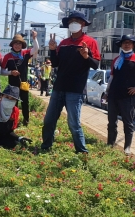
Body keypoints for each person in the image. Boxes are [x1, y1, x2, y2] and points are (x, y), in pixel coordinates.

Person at [41, 11, 100, 154]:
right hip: (59, 88)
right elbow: (55, 63)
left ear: (83, 24)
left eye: (77, 21)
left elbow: (95, 65)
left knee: (73, 123)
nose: (74, 23)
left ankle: (82, 152)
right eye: (71, 21)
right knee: (49, 120)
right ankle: (46, 147)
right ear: (68, 24)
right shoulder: (64, 43)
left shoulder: (90, 42)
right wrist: (53, 50)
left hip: (75, 90)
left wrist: (86, 56)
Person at [105, 34, 135, 155]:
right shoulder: (116, 60)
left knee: (128, 122)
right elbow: (111, 77)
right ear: (121, 44)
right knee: (111, 122)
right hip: (113, 94)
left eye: (129, 42)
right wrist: (107, 92)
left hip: (127, 96)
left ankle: (127, 147)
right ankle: (110, 143)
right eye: (124, 42)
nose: (126, 44)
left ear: (133, 45)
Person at [0, 31, 39, 126]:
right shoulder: (7, 57)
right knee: (13, 103)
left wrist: (34, 38)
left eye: (19, 43)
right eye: (15, 43)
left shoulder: (25, 53)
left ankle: (26, 120)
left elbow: (36, 49)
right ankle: (13, 120)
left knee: (25, 102)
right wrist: (10, 72)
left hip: (23, 84)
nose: (17, 45)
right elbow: (2, 71)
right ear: (12, 45)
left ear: (22, 45)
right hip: (12, 85)